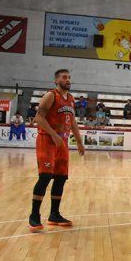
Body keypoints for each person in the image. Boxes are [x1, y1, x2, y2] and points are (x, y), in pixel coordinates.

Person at [29, 69, 85, 232]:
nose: (68, 80)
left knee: (60, 178)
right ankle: (34, 216)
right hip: (47, 140)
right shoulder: (51, 95)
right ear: (56, 81)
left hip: (62, 142)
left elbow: (72, 121)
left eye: (69, 77)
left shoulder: (71, 99)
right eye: (64, 77)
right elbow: (38, 117)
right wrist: (53, 134)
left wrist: (79, 142)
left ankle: (54, 215)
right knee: (45, 177)